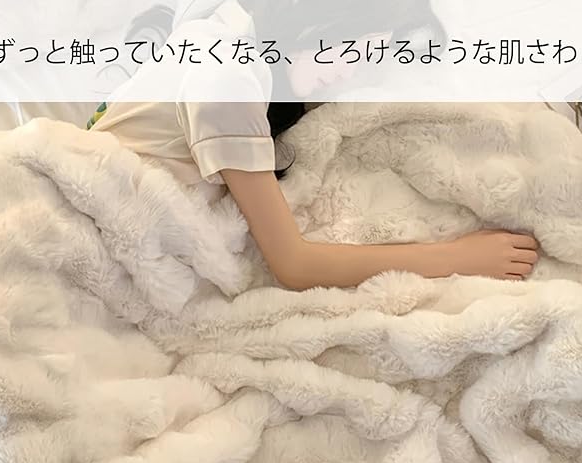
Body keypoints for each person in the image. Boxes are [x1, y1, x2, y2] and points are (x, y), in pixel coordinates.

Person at [88, 0, 539, 291]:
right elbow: (295, 265)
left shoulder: (235, 51)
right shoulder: (228, 76)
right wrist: (457, 257)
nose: (348, 71)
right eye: (351, 48)